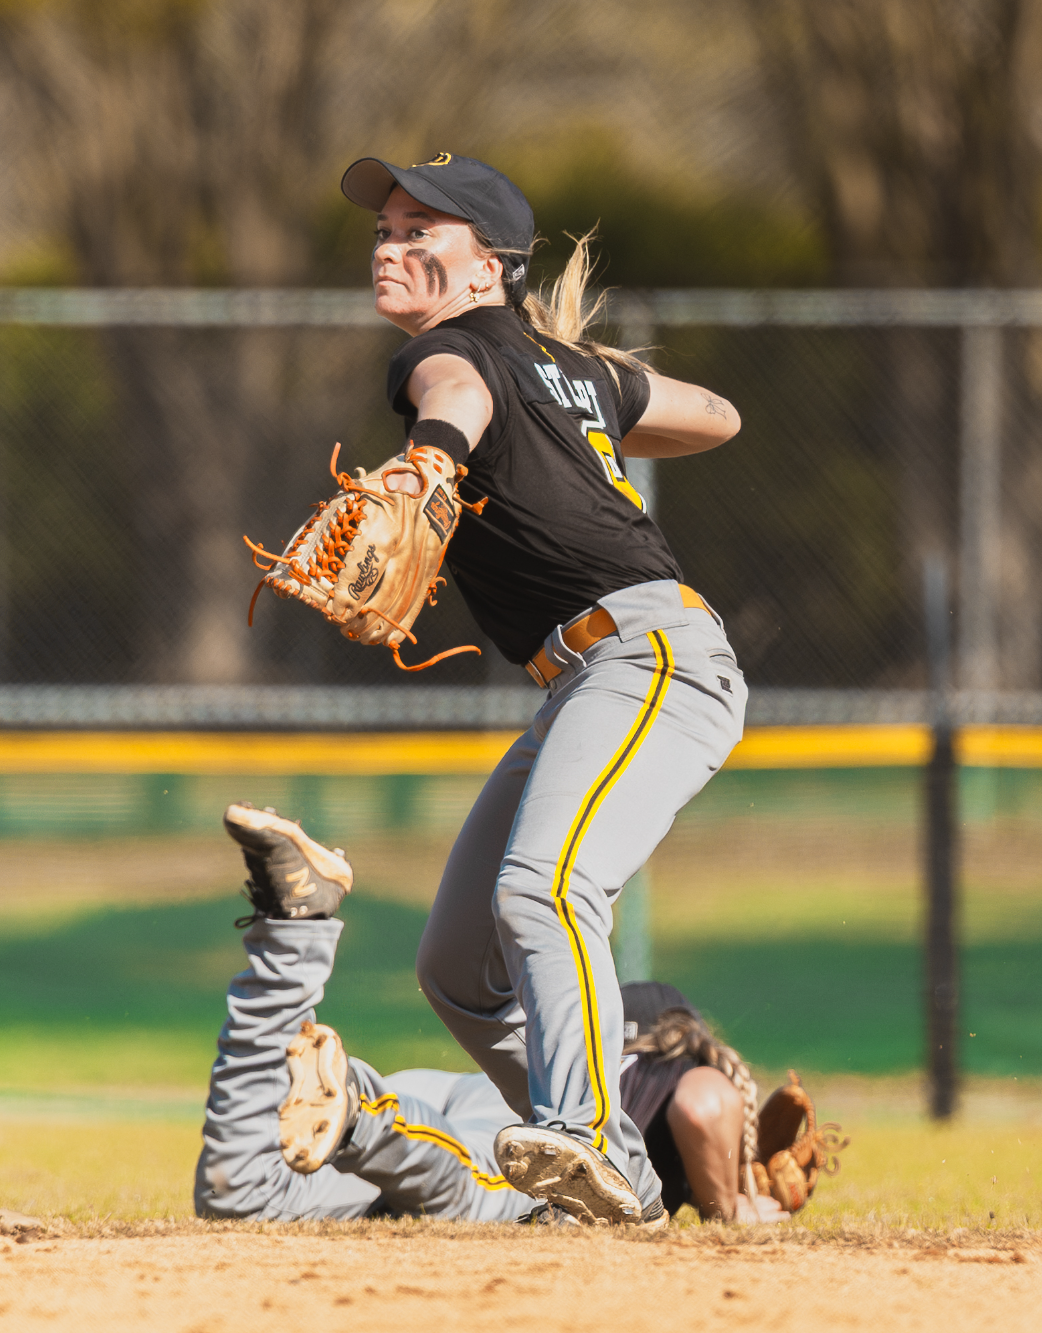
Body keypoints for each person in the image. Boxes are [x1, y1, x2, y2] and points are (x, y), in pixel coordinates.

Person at [333, 151, 744, 1224]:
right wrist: (581, 396)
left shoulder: (444, 358)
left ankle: (578, 1132)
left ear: (488, 268)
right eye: (384, 227)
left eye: (424, 228)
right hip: (586, 676)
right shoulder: (563, 367)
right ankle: (620, 1176)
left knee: (544, 889)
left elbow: (456, 390)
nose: (390, 244)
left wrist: (431, 456)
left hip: (649, 655)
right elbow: (715, 416)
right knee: (457, 966)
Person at [195, 806, 787, 1223]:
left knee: (244, 1195)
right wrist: (735, 1204)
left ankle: (291, 928)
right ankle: (354, 1110)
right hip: (514, 1140)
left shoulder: (599, 1027)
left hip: (448, 1101)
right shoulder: (684, 1067)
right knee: (477, 1189)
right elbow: (706, 1105)